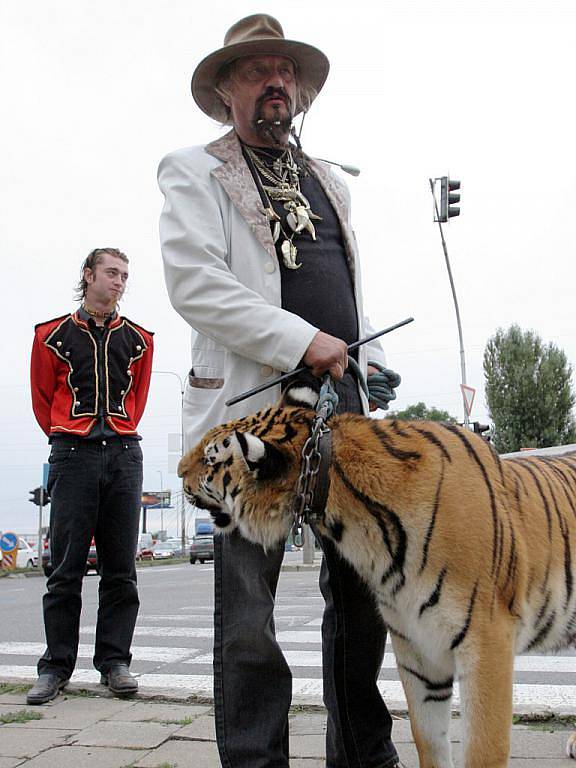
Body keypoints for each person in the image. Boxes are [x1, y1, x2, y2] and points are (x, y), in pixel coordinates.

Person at [158, 14, 400, 768]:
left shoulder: (328, 180)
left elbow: (345, 291)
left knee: (361, 597)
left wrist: (372, 355)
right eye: (257, 69)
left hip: (342, 405)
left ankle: (362, 754)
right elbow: (199, 286)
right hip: (252, 411)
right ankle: (258, 760)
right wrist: (302, 340)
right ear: (226, 89)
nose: (276, 81)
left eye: (285, 70)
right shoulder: (192, 170)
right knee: (249, 614)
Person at [27, 247, 154, 705]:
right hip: (72, 452)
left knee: (121, 569)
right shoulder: (51, 335)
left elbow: (137, 399)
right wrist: (71, 436)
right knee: (65, 569)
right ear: (88, 275)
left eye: (124, 275)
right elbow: (44, 400)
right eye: (111, 273)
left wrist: (115, 432)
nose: (119, 282)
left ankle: (115, 662)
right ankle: (55, 667)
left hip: (123, 452)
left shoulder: (140, 339)